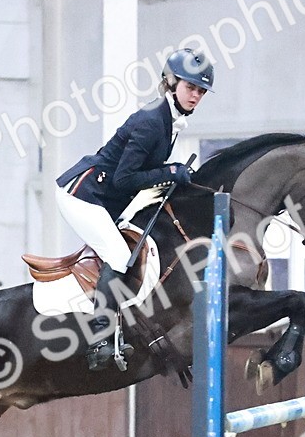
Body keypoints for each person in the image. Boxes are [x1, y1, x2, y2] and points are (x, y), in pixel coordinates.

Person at [55, 48, 214, 370]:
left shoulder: (169, 119)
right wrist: (171, 172)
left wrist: (172, 172)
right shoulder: (151, 121)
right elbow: (125, 178)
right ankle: (98, 336)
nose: (196, 95)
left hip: (106, 198)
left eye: (201, 91)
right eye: (190, 87)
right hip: (83, 195)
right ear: (171, 83)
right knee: (118, 255)